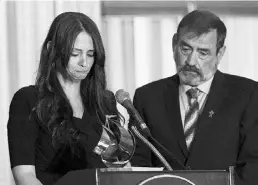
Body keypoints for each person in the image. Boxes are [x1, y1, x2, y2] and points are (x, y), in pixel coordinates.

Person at [129, 10, 258, 185]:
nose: (191, 61)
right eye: (186, 49)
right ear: (174, 44)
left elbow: (252, 167)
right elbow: (139, 166)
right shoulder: (147, 97)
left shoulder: (248, 95)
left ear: (220, 54)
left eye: (203, 53)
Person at [7, 12, 124, 185]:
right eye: (75, 53)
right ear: (51, 49)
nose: (84, 62)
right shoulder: (28, 100)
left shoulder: (104, 102)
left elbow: (116, 167)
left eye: (90, 54)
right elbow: (25, 175)